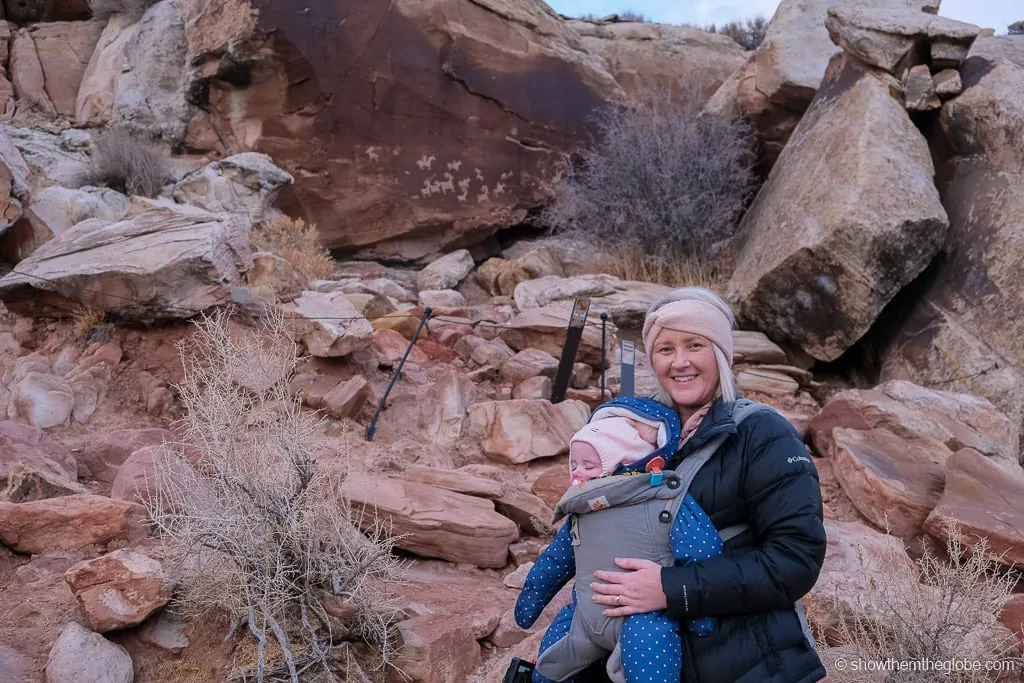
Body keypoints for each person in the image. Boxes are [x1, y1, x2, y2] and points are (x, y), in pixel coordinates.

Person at [580, 286, 828, 683]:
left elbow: (795, 559)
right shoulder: (641, 437)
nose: (679, 363)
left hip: (750, 664)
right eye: (665, 350)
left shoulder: (763, 434)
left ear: (720, 351)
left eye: (694, 345)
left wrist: (670, 589)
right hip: (647, 655)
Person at [515, 396, 726, 683]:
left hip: (644, 615)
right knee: (549, 663)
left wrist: (700, 613)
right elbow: (556, 560)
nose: (577, 472)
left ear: (628, 461)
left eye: (588, 465)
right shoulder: (583, 509)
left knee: (649, 654)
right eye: (573, 464)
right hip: (584, 615)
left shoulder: (665, 500)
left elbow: (704, 551)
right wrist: (529, 602)